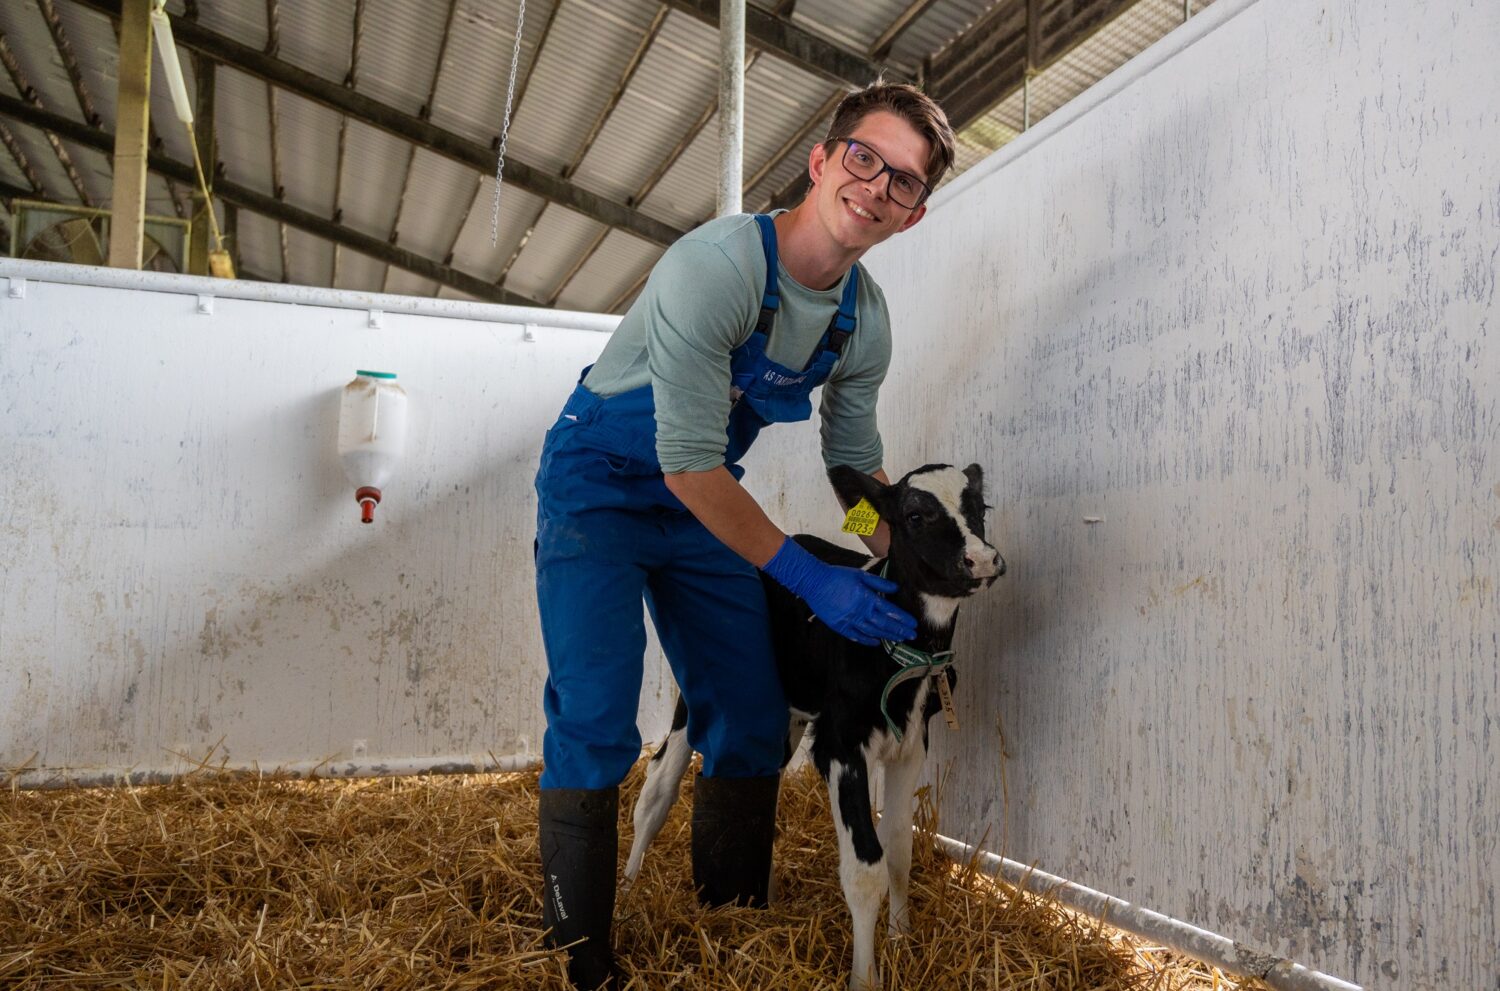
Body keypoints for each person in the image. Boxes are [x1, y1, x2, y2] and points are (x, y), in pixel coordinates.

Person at [532, 82, 956, 989]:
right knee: (597, 712)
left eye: (906, 183)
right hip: (600, 485)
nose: (879, 186)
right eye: (866, 158)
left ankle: (728, 921)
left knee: (752, 712)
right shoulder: (717, 266)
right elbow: (687, 461)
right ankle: (581, 954)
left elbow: (852, 468)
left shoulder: (862, 322)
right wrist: (809, 577)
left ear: (914, 215)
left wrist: (897, 557)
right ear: (821, 160)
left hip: (699, 506)